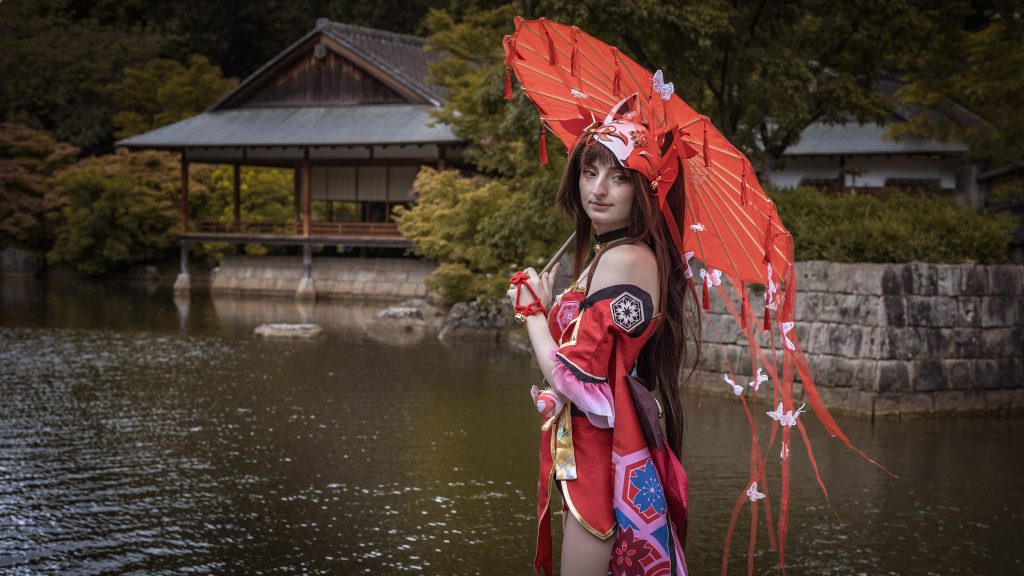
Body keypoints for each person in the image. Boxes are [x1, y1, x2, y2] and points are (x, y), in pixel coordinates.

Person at [507, 99, 698, 576]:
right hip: (591, 447)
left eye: (618, 177)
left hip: (603, 456)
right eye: (589, 172)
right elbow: (580, 356)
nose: (598, 189)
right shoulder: (607, 256)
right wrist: (548, 310)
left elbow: (574, 378)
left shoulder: (626, 259)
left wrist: (531, 314)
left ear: (645, 190)